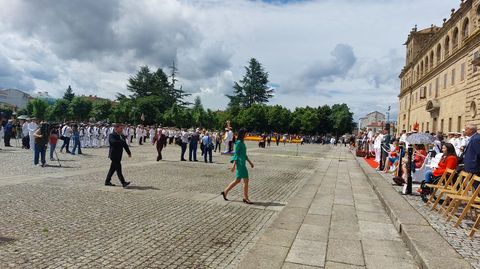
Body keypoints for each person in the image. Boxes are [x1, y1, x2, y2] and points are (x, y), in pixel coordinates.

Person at [221, 128, 255, 204]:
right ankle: (246, 198)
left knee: (237, 180)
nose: (247, 134)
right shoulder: (239, 142)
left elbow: (244, 154)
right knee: (246, 180)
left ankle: (225, 191)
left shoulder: (242, 142)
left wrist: (250, 162)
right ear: (242, 134)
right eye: (246, 133)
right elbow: (236, 154)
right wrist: (233, 166)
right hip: (240, 164)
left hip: (242, 163)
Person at [105, 123, 131, 188]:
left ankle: (107, 181)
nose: (122, 129)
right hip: (113, 155)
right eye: (120, 128)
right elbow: (113, 142)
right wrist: (121, 141)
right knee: (118, 169)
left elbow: (125, 145)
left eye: (122, 128)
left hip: (119, 155)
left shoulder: (122, 136)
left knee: (112, 169)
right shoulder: (112, 135)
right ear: (116, 128)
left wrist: (128, 152)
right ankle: (123, 182)